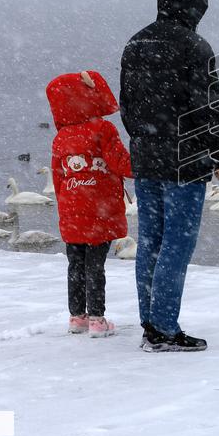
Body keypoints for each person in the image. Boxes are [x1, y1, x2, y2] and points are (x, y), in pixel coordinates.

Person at [120, 0, 219, 352]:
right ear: (192, 6)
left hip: (147, 158)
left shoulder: (135, 43)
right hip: (186, 159)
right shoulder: (194, 47)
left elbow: (128, 107)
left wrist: (144, 138)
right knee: (177, 244)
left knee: (150, 239)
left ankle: (150, 323)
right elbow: (207, 108)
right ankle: (166, 328)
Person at [46, 70, 133, 338]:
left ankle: (77, 317)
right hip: (99, 209)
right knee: (96, 264)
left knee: (75, 264)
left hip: (72, 210)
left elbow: (58, 178)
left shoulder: (61, 137)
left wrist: (66, 205)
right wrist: (147, 166)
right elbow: (121, 163)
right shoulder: (103, 129)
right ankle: (97, 318)